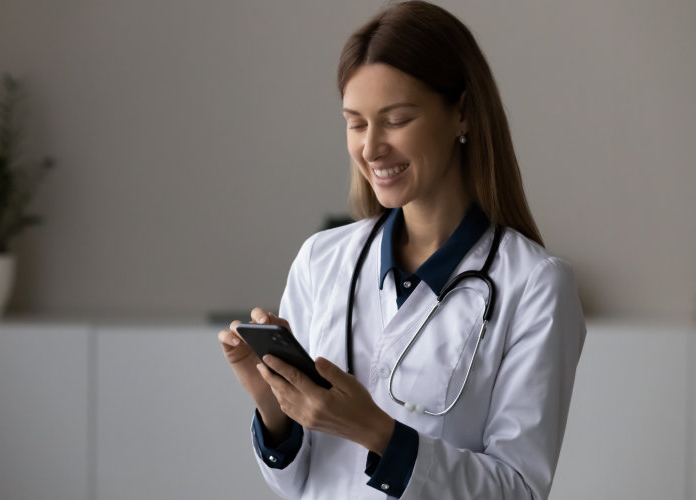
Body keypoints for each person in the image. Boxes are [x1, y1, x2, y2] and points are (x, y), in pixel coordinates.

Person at [215, 2, 587, 498]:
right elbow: (299, 482)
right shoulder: (320, 261)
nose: (371, 148)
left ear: (462, 113)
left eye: (395, 120)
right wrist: (272, 406)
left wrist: (376, 432)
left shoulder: (536, 286)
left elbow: (518, 490)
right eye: (356, 123)